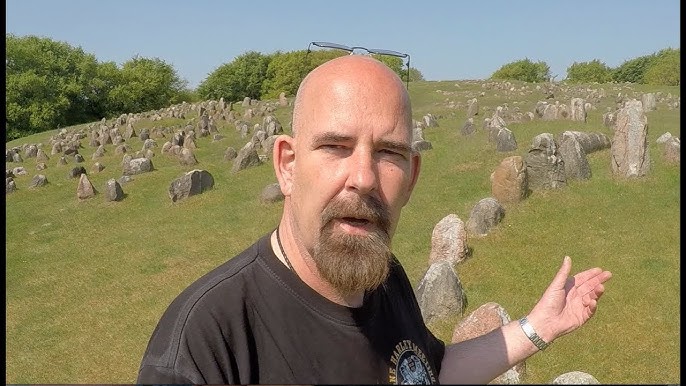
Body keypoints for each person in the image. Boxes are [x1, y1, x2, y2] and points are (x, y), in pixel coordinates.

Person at [136, 55, 612, 384]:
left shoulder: (386, 278)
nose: (363, 177)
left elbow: (430, 371)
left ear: (412, 175)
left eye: (388, 152)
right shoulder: (205, 342)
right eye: (336, 146)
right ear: (287, 165)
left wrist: (539, 327)